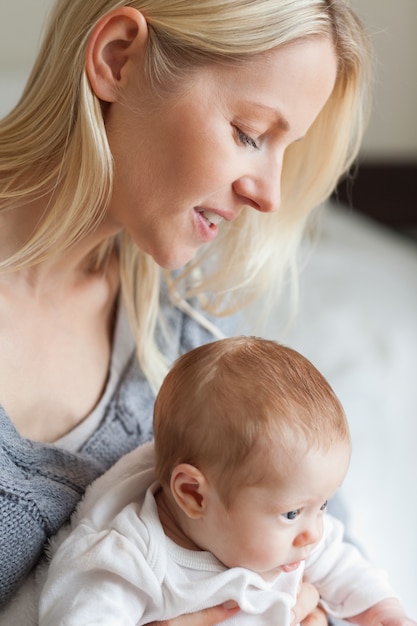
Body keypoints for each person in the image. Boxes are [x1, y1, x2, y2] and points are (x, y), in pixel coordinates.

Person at [0, 0, 372, 622]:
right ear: (117, 58)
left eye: (286, 148)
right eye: (250, 133)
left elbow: (333, 564)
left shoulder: (187, 342)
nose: (270, 194)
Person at [38, 337, 414, 625]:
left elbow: (345, 568)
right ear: (194, 494)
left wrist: (382, 612)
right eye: (292, 513)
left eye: (324, 506)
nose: (313, 533)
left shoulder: (296, 537)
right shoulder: (131, 561)